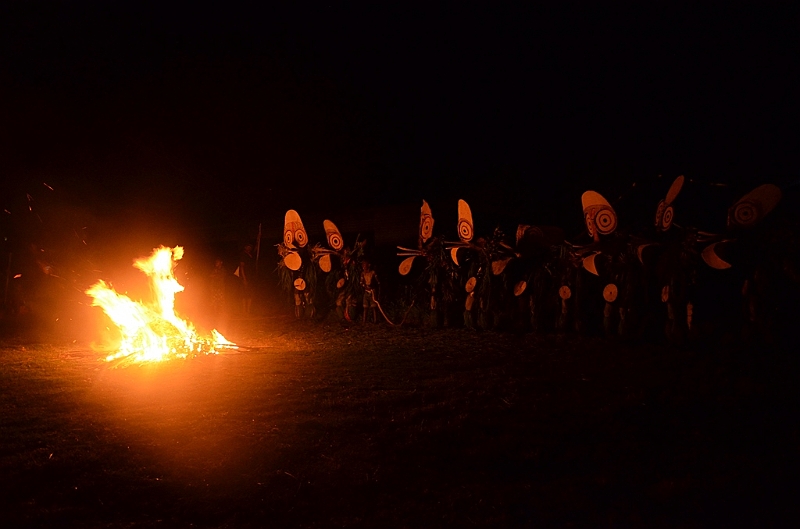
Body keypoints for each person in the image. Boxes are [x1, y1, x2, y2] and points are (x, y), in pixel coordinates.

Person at [238, 243, 256, 315]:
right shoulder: (243, 255)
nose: (249, 248)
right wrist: (244, 278)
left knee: (249, 294)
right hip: (245, 277)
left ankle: (248, 310)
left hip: (251, 277)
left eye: (250, 246)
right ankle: (244, 310)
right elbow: (242, 267)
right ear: (245, 247)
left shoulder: (250, 255)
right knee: (244, 294)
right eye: (248, 246)